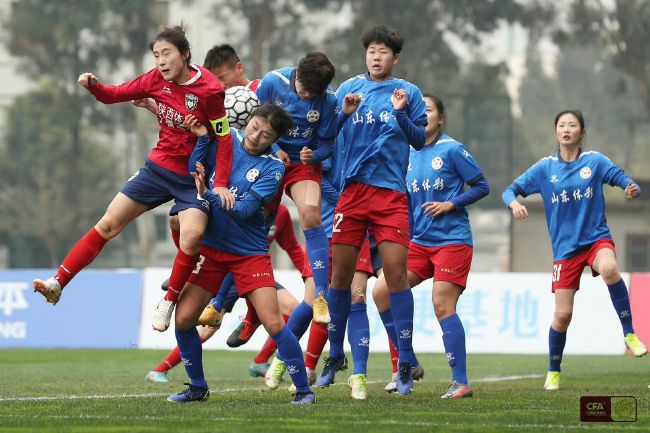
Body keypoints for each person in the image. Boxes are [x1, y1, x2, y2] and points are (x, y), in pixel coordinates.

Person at [32, 26, 235, 334]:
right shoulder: (154, 80)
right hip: (157, 169)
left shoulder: (209, 89)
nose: (161, 61)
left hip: (192, 179)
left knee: (191, 238)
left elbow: (224, 137)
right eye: (156, 55)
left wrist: (219, 183)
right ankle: (58, 283)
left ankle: (168, 300)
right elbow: (112, 95)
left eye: (167, 53)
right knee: (108, 224)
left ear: (185, 54)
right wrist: (94, 85)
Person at [168, 104, 315, 405]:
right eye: (255, 126)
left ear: (274, 139)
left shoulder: (273, 168)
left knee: (274, 323)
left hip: (248, 253)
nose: (256, 135)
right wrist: (201, 142)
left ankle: (303, 390)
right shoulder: (225, 140)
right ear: (249, 120)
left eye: (266, 134)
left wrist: (208, 193)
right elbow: (195, 169)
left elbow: (247, 210)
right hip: (211, 250)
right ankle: (198, 387)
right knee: (183, 320)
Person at [317, 25, 427, 396]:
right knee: (341, 280)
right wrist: (344, 114)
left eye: (383, 52)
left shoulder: (407, 93)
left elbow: (417, 139)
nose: (376, 56)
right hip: (352, 195)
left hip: (391, 197)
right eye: (371, 51)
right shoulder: (348, 89)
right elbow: (328, 134)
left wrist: (399, 113)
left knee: (396, 276)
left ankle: (407, 360)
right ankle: (335, 355)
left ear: (395, 58)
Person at [502, 109, 647, 391]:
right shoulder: (545, 168)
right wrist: (514, 203)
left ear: (581, 132)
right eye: (561, 125)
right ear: (556, 132)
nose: (566, 129)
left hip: (595, 239)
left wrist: (630, 187)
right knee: (562, 316)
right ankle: (553, 370)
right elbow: (510, 189)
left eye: (572, 125)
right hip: (565, 250)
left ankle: (629, 334)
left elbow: (621, 177)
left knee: (610, 268)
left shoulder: (594, 162)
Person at [374, 94, 489, 398]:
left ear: (441, 118)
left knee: (442, 304)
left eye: (428, 111)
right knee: (381, 291)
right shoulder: (406, 154)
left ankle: (461, 382)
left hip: (452, 241)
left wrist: (451, 203)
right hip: (418, 243)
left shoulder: (452, 150)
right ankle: (407, 362)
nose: (423, 116)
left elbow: (481, 186)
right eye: (418, 111)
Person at [145, 204, 302, 383]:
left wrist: (309, 275)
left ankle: (260, 360)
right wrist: (218, 299)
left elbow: (292, 247)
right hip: (225, 274)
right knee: (206, 329)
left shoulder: (280, 212)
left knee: (292, 308)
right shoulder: (239, 205)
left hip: (253, 272)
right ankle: (160, 370)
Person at [256, 52, 338, 326]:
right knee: (255, 225)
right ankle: (225, 302)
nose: (305, 98)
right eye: (302, 90)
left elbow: (327, 146)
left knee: (311, 216)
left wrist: (312, 156)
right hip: (268, 161)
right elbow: (254, 127)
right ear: (297, 74)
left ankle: (321, 297)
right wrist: (276, 148)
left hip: (302, 166)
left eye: (311, 95)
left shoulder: (329, 101)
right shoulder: (272, 82)